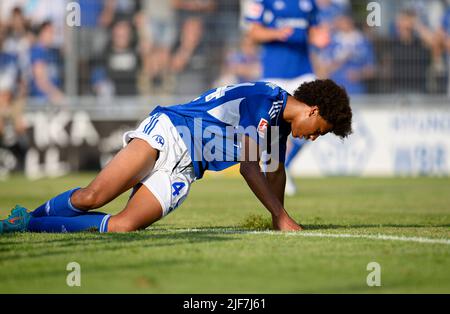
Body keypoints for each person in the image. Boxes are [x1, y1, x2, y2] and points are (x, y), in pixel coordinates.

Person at [0, 79, 352, 234]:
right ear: (313, 109)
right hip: (168, 132)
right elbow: (249, 167)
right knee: (93, 197)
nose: (315, 136)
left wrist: (280, 217)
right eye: (319, 129)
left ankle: (26, 224)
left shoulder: (278, 129)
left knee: (123, 227)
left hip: (188, 168)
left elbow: (273, 173)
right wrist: (279, 216)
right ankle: (26, 218)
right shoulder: (264, 100)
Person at [244, 0, 330, 196]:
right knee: (272, 130)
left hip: (303, 72)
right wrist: (277, 33)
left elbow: (315, 31)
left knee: (320, 116)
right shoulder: (263, 2)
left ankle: (286, 165)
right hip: (274, 74)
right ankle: (273, 170)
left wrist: (320, 38)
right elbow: (253, 33)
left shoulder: (309, 3)